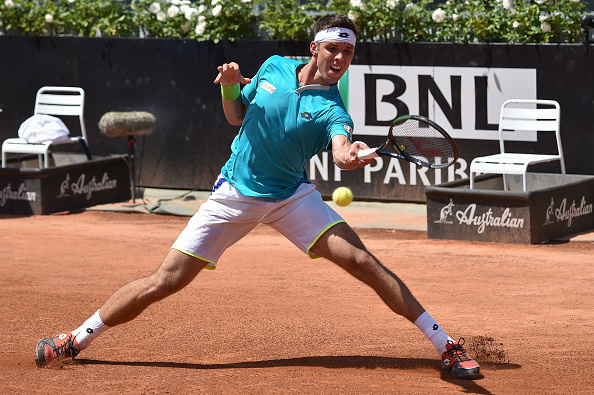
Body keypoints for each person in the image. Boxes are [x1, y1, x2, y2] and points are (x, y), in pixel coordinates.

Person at [34, 13, 480, 379]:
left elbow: (341, 151)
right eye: (334, 48)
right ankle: (75, 339)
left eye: (348, 52)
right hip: (234, 193)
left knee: (363, 261)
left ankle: (446, 344)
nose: (341, 57)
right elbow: (235, 115)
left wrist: (351, 156)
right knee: (163, 281)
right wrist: (231, 84)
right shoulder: (272, 67)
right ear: (315, 48)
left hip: (291, 197)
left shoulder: (332, 110)